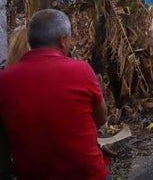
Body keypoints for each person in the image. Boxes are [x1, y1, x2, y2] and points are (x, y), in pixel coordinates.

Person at [0, 9, 110, 180]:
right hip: (86, 174)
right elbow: (102, 118)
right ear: (62, 41)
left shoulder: (4, 80)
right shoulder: (80, 70)